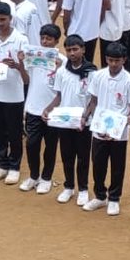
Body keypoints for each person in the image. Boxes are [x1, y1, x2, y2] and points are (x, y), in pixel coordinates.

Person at [42, 35, 97, 205]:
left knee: (83, 157)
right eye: (68, 50)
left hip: (83, 123)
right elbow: (59, 96)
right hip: (65, 121)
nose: (72, 53)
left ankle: (83, 189)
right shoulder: (61, 72)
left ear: (83, 49)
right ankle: (68, 187)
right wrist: (48, 109)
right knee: (67, 155)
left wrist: (84, 117)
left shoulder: (91, 73)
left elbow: (94, 100)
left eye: (75, 49)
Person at [83, 40, 130, 213]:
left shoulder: (129, 81)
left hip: (118, 132)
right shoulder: (98, 76)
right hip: (99, 128)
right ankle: (100, 196)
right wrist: (87, 117)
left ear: (124, 60)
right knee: (98, 163)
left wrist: (120, 127)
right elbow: (93, 100)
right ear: (106, 59)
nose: (113, 64)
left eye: (117, 60)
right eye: (110, 60)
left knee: (117, 165)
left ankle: (114, 198)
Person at [0, 2, 30, 185]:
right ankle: (1, 165)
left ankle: (14, 167)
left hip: (14, 95)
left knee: (14, 132)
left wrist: (17, 66)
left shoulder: (21, 40)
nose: (0, 23)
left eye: (3, 19)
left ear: (11, 18)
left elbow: (27, 76)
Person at [20, 24, 63, 194]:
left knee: (50, 146)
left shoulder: (63, 61)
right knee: (31, 144)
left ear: (56, 41)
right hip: (33, 108)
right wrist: (21, 62)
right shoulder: (33, 56)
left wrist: (59, 68)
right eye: (42, 38)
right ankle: (33, 176)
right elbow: (26, 80)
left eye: (49, 39)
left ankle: (46, 178)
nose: (44, 42)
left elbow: (64, 87)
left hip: (53, 111)